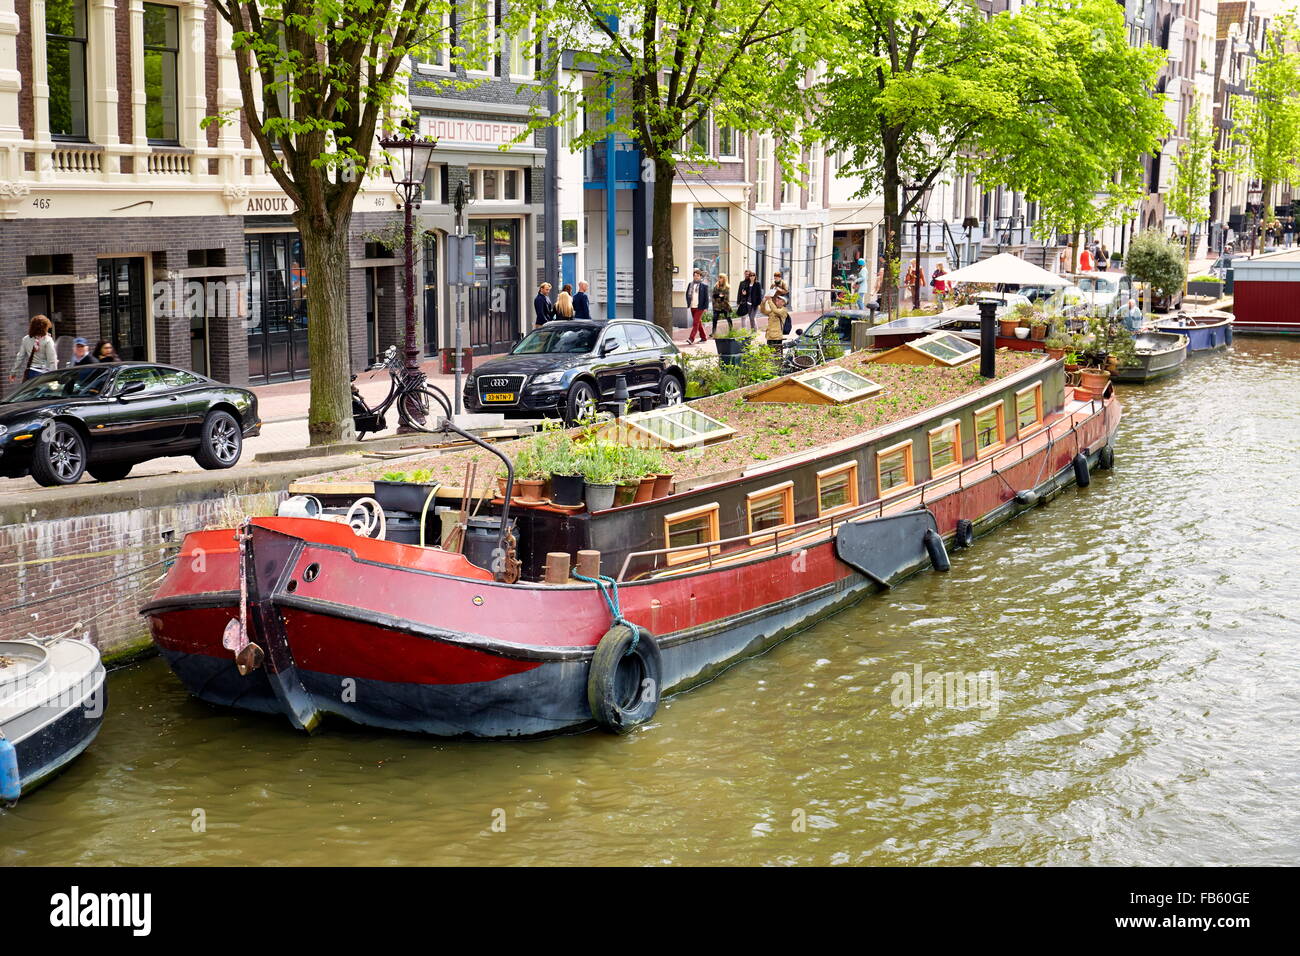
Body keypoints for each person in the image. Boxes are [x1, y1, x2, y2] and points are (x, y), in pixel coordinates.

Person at [10, 315, 58, 383]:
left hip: (30, 373)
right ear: (45, 327)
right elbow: (52, 360)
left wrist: (13, 373)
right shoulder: (47, 340)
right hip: (43, 374)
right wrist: (54, 377)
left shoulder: (26, 339)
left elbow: (20, 357)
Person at [685, 268, 710, 344]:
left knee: (695, 323)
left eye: (698, 276)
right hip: (692, 306)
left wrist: (706, 307)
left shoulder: (704, 286)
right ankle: (704, 338)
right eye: (695, 275)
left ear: (700, 277)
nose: (696, 277)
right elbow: (687, 295)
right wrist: (688, 303)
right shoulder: (690, 284)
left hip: (700, 307)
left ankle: (691, 338)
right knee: (698, 323)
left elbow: (706, 298)